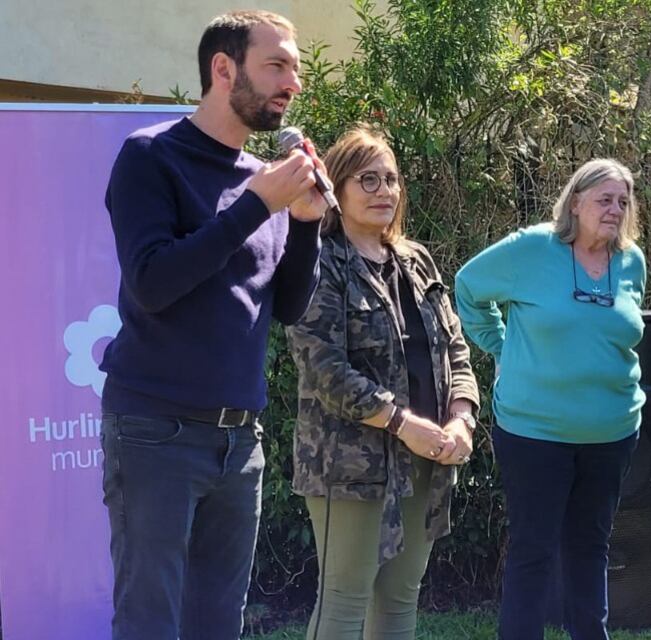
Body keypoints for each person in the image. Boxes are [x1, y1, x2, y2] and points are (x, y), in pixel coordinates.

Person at [99, 11, 329, 640]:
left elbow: (287, 308)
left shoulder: (265, 182)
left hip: (240, 440)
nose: (293, 83)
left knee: (218, 624)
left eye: (295, 70)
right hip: (155, 432)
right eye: (276, 66)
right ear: (223, 70)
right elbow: (152, 282)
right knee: (150, 623)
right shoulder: (151, 156)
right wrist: (258, 206)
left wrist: (305, 223)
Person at [286, 125, 480, 640]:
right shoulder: (320, 261)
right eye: (367, 180)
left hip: (427, 456)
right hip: (350, 466)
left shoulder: (415, 260)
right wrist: (402, 423)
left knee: (399, 601)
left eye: (391, 179)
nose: (384, 191)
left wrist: (462, 417)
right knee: (344, 602)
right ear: (337, 187)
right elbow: (324, 369)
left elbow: (455, 348)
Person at [455, 159, 646, 640]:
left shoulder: (632, 261)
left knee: (591, 548)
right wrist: (502, 347)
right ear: (575, 202)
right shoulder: (532, 249)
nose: (615, 210)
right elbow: (468, 287)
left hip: (611, 433)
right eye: (604, 200)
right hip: (534, 433)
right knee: (533, 550)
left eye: (623, 202)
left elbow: (619, 332)